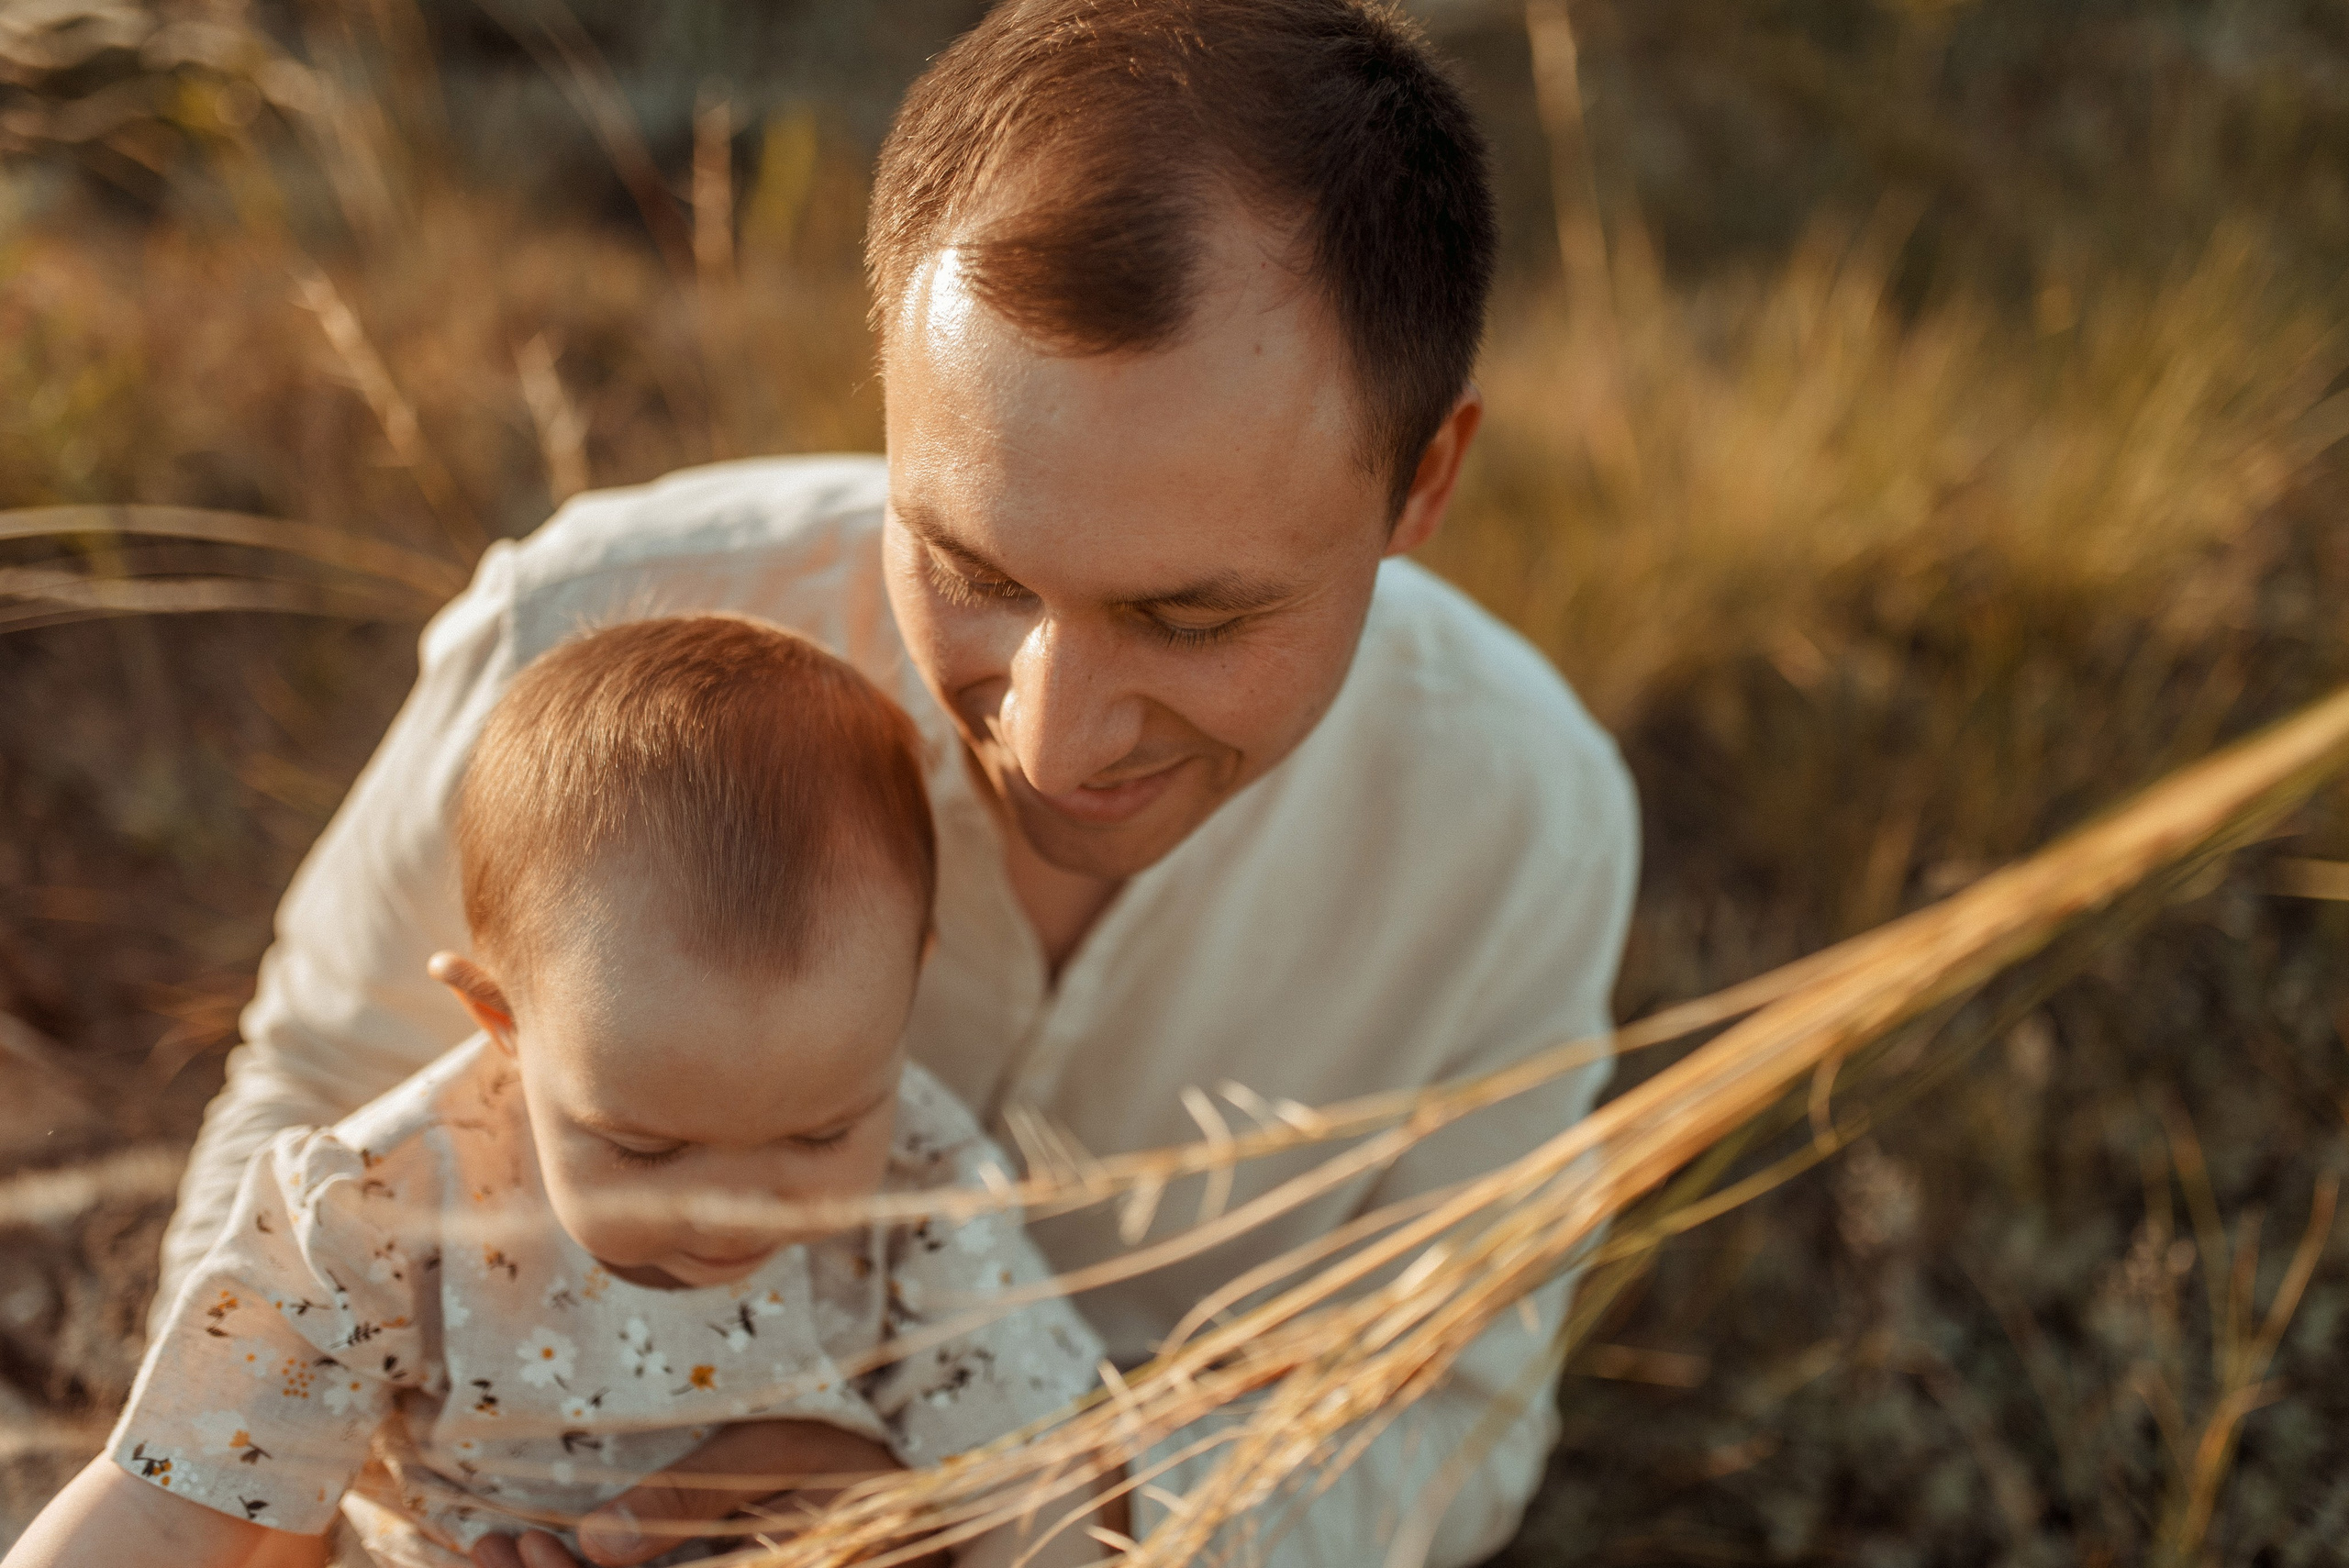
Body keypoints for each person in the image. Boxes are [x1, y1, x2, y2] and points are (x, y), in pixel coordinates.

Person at [149, 2, 1641, 1562]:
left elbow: (1445, 1413)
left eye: (1193, 618)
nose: (1052, 744)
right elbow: (308, 1098)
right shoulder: (580, 628)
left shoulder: (1523, 824)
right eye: (970, 570)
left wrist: (1012, 1513)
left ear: (1424, 480)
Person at [6, 617, 1108, 1568]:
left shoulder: (922, 1184)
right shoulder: (384, 1208)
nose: (737, 1203)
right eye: (646, 1146)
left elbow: (1039, 1484)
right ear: (503, 1020)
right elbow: (171, 1498)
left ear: (909, 980)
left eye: (821, 1130)